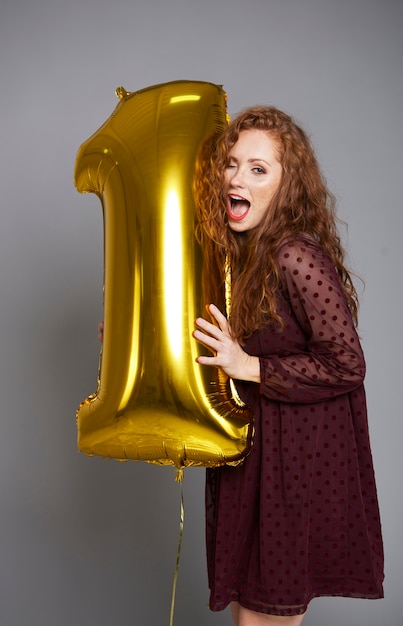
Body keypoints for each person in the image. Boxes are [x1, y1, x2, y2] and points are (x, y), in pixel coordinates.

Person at [192, 106, 384, 626]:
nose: (236, 178)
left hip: (292, 460)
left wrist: (250, 367)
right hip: (252, 454)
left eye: (258, 169)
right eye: (231, 164)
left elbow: (347, 363)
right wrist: (138, 336)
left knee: (261, 619)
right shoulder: (242, 255)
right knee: (247, 615)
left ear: (286, 184)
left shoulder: (295, 255)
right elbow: (220, 343)